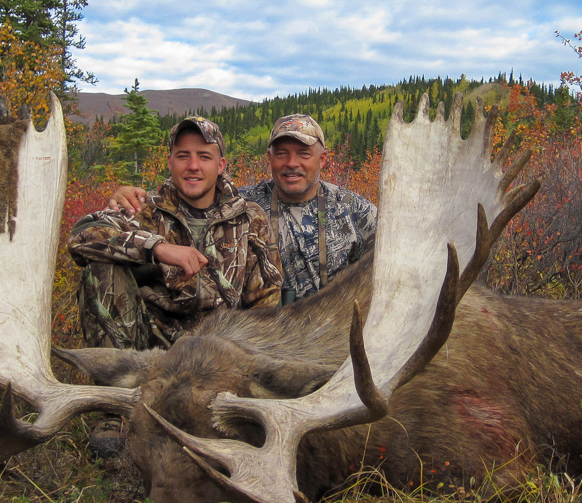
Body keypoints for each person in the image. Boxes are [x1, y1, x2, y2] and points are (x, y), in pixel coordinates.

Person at [112, 114, 378, 304]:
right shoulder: (243, 205)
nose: (291, 163)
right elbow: (192, 190)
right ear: (269, 158)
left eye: (304, 154)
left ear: (323, 159)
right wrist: (134, 195)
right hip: (264, 333)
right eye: (282, 153)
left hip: (335, 336)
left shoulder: (355, 210)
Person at [68, 116, 282, 351]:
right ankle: (118, 381)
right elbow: (82, 234)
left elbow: (265, 302)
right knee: (99, 268)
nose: (193, 166)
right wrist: (156, 248)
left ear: (220, 165)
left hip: (220, 354)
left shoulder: (250, 217)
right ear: (170, 162)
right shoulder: (142, 208)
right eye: (183, 156)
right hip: (148, 353)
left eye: (204, 156)